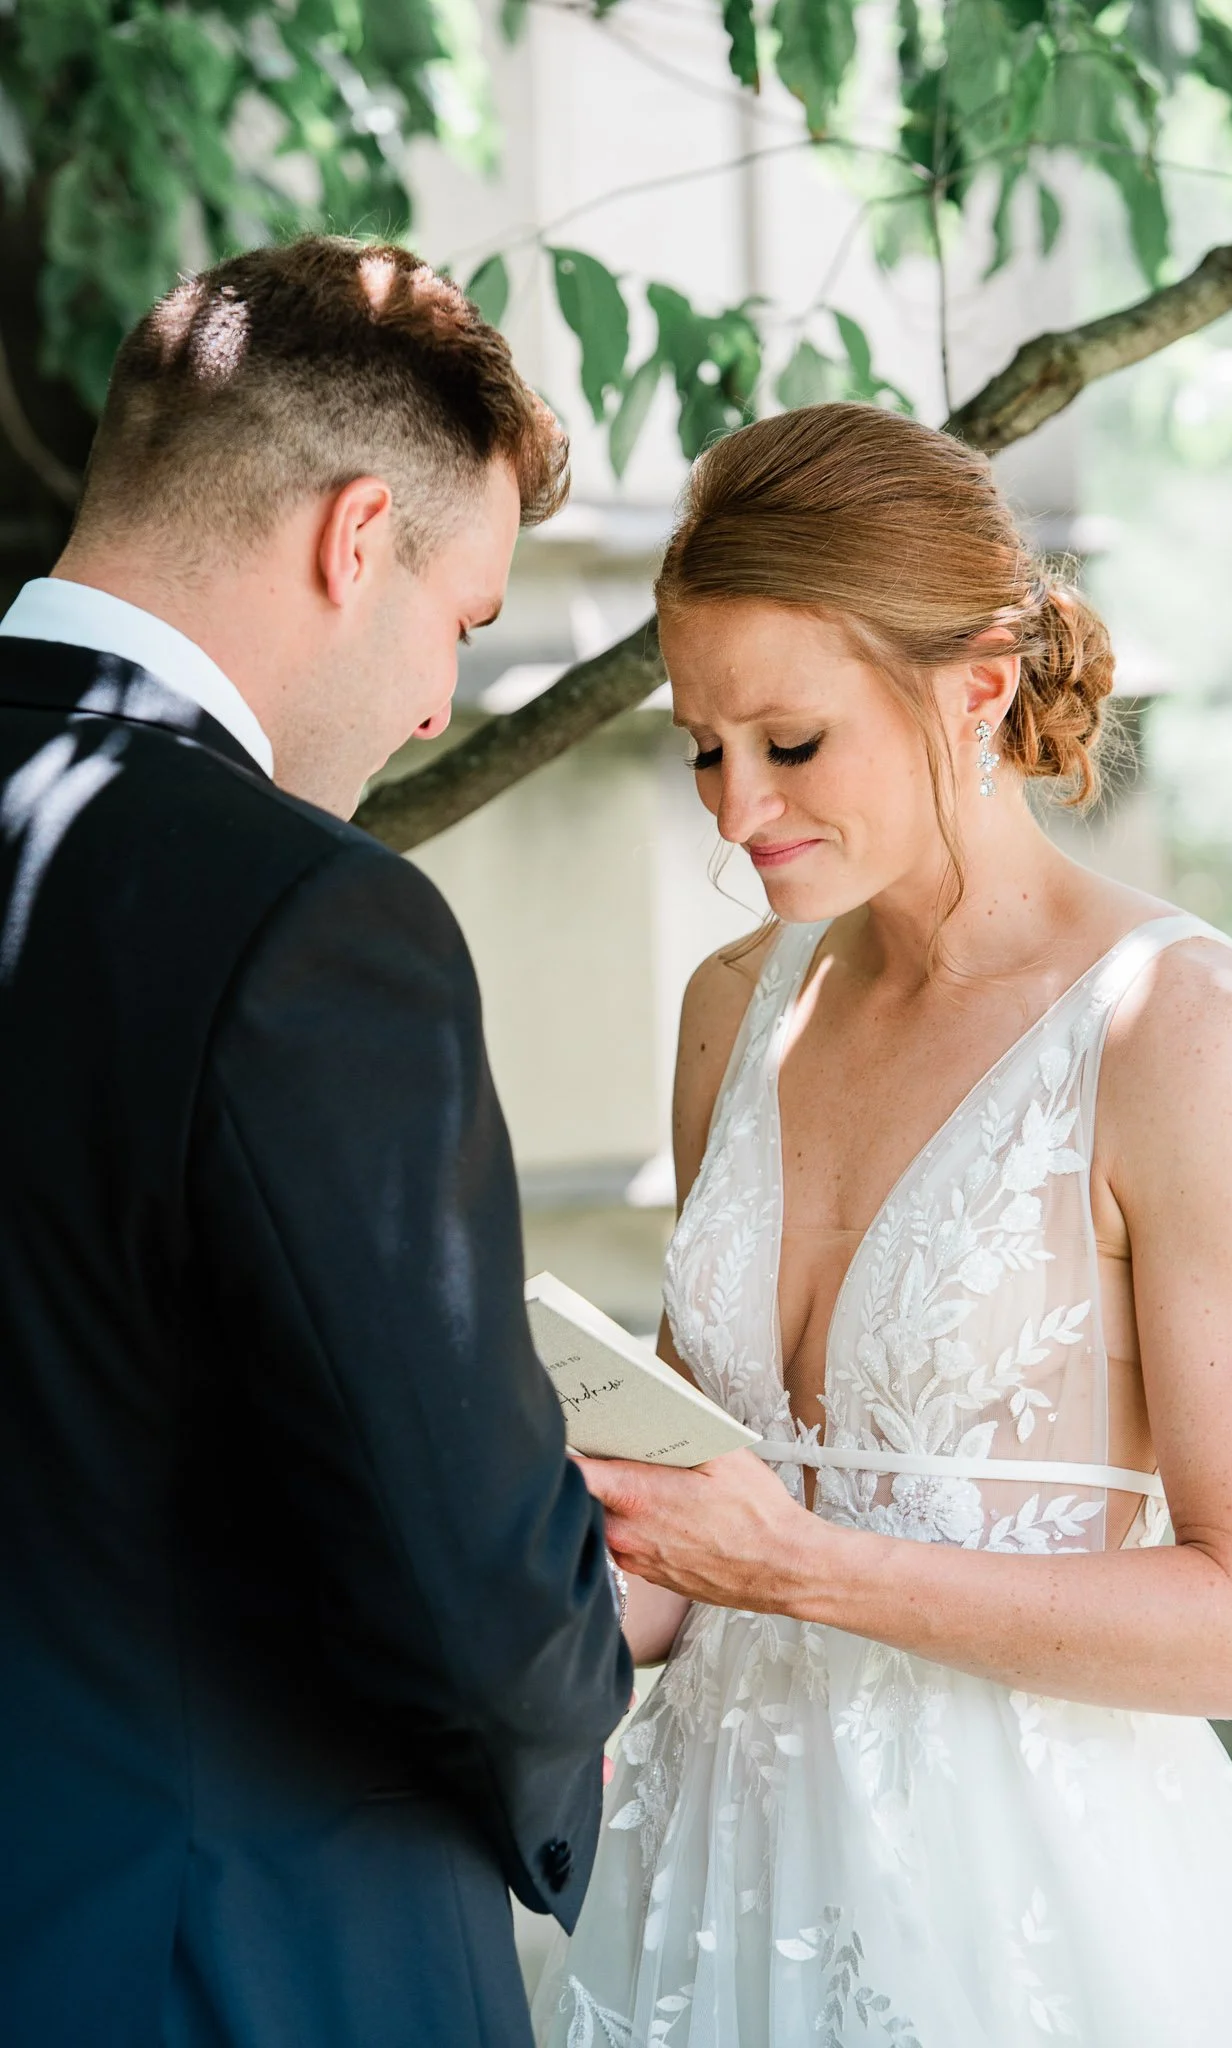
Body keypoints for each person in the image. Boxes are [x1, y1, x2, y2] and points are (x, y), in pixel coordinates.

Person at [534, 403, 1232, 2046]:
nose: (731, 808)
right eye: (703, 746)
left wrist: (805, 1568)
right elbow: (696, 1544)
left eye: (789, 743)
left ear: (975, 689)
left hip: (1035, 1926)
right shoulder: (730, 1010)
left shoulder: (1177, 1037)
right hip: (709, 1891)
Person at [0, 236, 632, 2048]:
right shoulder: (303, 919)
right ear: (359, 539)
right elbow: (471, 1592)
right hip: (219, 1970)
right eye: (464, 619)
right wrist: (592, 1636)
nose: (438, 704)